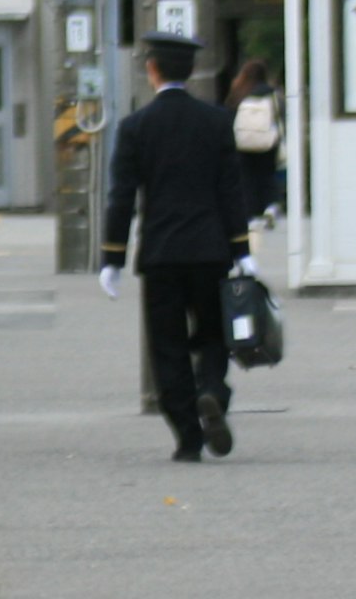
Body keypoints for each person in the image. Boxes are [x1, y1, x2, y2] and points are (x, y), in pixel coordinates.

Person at [101, 34, 260, 462]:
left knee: (166, 345)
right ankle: (211, 390)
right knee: (212, 334)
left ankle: (188, 437)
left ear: (152, 69)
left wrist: (111, 258)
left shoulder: (135, 127)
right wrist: (242, 248)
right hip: (211, 250)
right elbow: (232, 189)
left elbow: (122, 196)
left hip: (161, 254)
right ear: (190, 71)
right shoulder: (215, 121)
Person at [222, 55, 285, 227]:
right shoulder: (273, 95)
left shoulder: (239, 93)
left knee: (247, 178)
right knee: (267, 175)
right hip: (267, 142)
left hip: (243, 143)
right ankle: (271, 207)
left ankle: (250, 214)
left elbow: (229, 116)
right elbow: (280, 116)